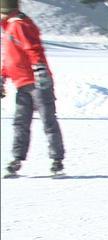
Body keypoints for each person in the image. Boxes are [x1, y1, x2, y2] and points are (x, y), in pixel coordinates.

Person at [1, 0, 65, 176]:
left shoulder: (19, 26)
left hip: (37, 83)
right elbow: (10, 58)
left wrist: (40, 71)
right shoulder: (9, 28)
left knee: (48, 121)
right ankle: (17, 159)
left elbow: (34, 49)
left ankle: (57, 160)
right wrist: (3, 76)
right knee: (20, 122)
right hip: (22, 84)